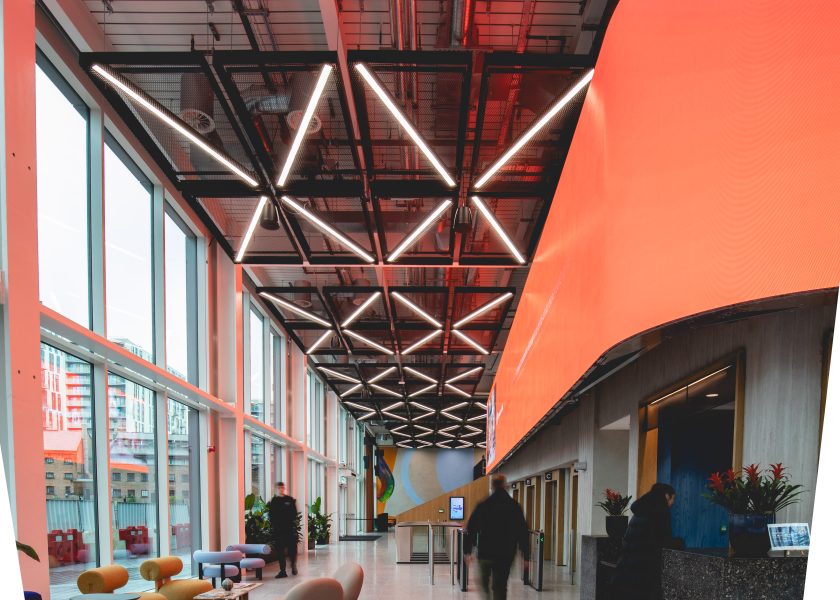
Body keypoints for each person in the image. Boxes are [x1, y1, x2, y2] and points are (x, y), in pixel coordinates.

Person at [609, 482, 681, 600]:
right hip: (644, 573)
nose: (672, 503)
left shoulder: (640, 511)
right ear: (667, 495)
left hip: (626, 570)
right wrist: (679, 543)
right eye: (673, 498)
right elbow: (665, 540)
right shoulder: (660, 512)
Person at [465, 474, 530, 600]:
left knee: (484, 584)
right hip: (506, 554)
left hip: (485, 553)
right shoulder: (514, 506)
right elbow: (523, 531)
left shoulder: (483, 505)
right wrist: (526, 555)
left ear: (492, 486)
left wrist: (468, 550)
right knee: (500, 585)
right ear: (504, 486)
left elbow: (471, 528)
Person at [267, 481, 298, 578]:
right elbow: (271, 515)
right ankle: (282, 571)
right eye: (279, 488)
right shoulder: (274, 501)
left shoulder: (289, 499)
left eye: (282, 487)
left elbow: (294, 513)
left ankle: (293, 565)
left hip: (289, 529)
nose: (280, 489)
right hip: (278, 531)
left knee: (292, 549)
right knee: (280, 551)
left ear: (284, 488)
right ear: (276, 489)